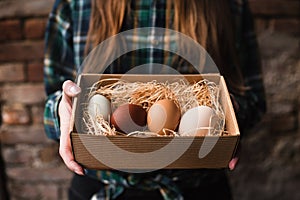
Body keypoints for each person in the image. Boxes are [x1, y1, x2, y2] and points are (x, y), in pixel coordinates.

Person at [43, 0, 266, 199]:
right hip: (100, 187)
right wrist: (63, 112)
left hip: (197, 188)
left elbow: (253, 100)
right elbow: (54, 98)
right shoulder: (75, 4)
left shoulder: (230, 5)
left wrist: (229, 113)